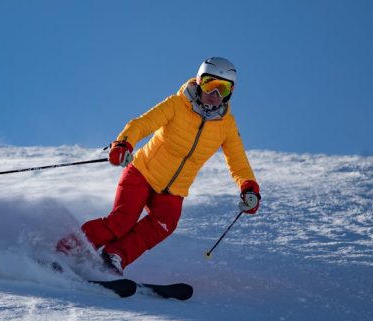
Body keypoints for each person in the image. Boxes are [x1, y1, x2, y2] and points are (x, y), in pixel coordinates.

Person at [57, 57, 261, 274]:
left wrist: (249, 188)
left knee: (164, 224)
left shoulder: (226, 125)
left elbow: (238, 161)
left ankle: (114, 256)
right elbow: (142, 124)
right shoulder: (177, 104)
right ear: (200, 82)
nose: (215, 94)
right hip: (142, 173)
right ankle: (67, 249)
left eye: (223, 88)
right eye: (211, 85)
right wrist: (123, 144)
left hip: (174, 190)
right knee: (122, 221)